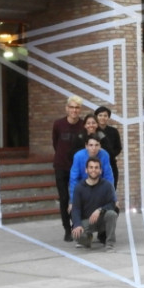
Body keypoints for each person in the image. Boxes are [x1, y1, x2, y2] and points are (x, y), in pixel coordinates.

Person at [52, 96, 86, 241]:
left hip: (78, 168)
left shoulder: (83, 125)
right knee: (64, 198)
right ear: (67, 108)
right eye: (71, 107)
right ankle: (67, 228)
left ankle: (77, 225)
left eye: (77, 107)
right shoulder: (58, 124)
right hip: (61, 166)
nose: (74, 110)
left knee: (78, 198)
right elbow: (55, 143)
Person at [71, 158, 119, 252]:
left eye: (96, 168)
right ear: (86, 170)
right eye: (91, 167)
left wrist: (100, 210)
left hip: (101, 219)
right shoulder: (79, 187)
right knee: (76, 234)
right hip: (87, 221)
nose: (93, 170)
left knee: (112, 214)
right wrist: (77, 224)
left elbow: (112, 204)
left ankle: (110, 245)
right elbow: (76, 208)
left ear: (100, 170)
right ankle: (87, 239)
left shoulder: (107, 185)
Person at [68, 136, 114, 203]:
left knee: (113, 209)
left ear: (100, 146)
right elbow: (74, 179)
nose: (94, 148)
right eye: (91, 145)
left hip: (99, 187)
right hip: (83, 188)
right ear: (86, 146)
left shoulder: (105, 155)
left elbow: (108, 177)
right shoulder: (78, 156)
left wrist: (113, 198)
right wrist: (72, 201)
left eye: (96, 145)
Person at [95, 105, 122, 189]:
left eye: (105, 115)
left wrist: (110, 155)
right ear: (96, 117)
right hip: (96, 164)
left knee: (111, 188)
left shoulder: (113, 131)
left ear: (108, 117)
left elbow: (118, 147)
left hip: (111, 163)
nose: (103, 118)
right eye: (100, 115)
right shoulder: (93, 131)